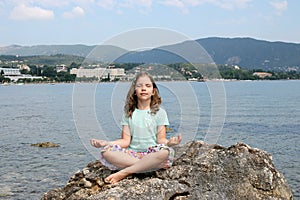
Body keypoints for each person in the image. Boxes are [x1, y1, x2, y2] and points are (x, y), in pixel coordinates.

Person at [90, 72, 182, 184]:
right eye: (139, 86)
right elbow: (125, 141)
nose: (143, 89)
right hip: (132, 154)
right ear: (134, 91)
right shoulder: (129, 113)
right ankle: (147, 166)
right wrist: (105, 143)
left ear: (153, 91)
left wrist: (170, 143)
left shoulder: (160, 113)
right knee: (106, 152)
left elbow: (160, 140)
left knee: (165, 152)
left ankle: (125, 172)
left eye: (148, 86)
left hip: (152, 152)